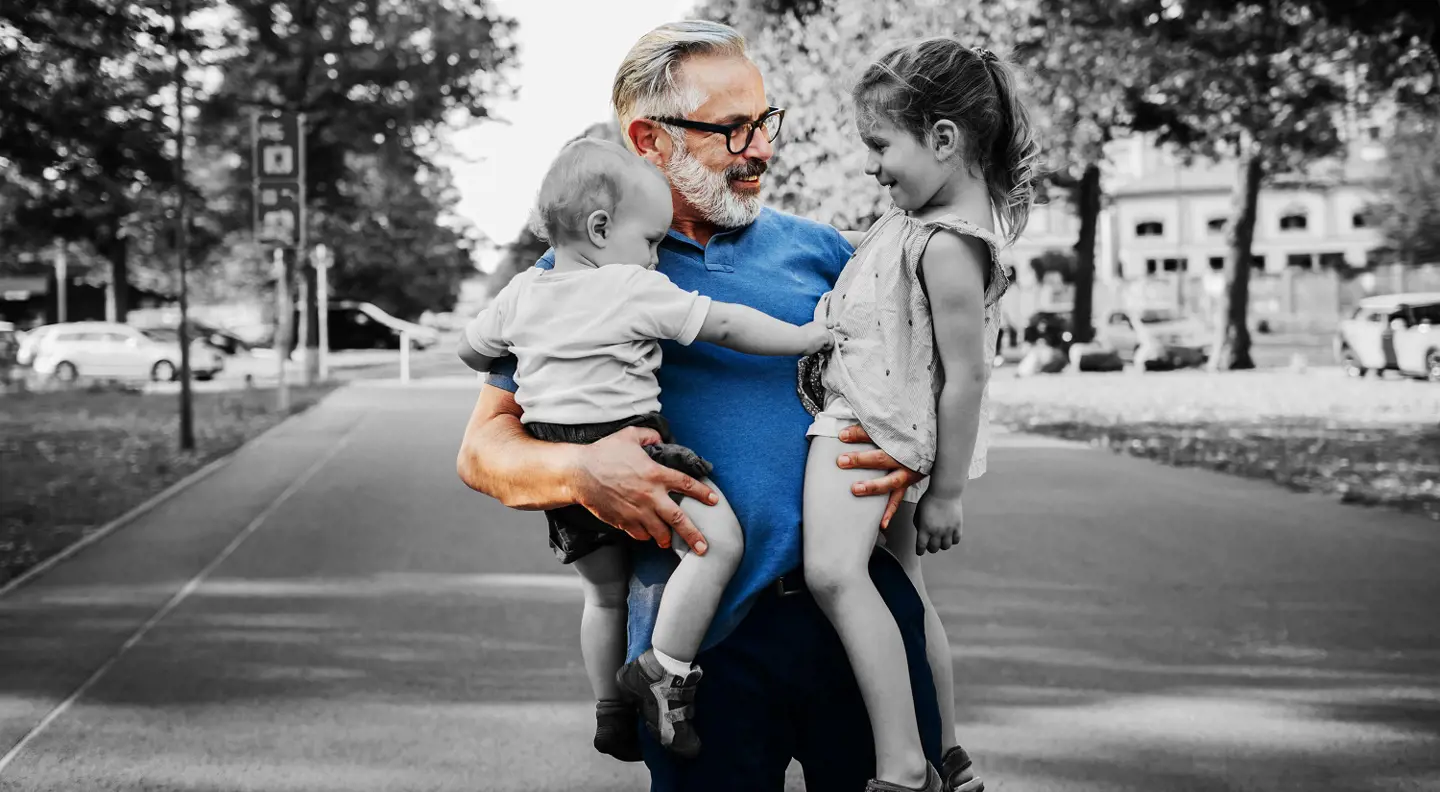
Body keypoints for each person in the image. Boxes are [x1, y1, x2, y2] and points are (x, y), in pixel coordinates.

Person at [457, 20, 967, 792]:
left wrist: (919, 461)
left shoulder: (828, 252)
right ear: (648, 140)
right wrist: (582, 469)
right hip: (701, 647)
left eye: (765, 122)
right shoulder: (576, 277)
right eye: (732, 130)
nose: (761, 148)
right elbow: (482, 452)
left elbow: (939, 368)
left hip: (857, 620)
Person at [455, 136, 830, 761]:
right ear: (602, 230)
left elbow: (471, 350)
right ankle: (665, 668)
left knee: (602, 595)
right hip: (631, 447)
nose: (656, 257)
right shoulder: (631, 285)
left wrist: (522, 350)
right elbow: (727, 325)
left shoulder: (523, 292)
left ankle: (609, 712)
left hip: (558, 458)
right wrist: (805, 335)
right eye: (651, 240)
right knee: (715, 547)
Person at [795, 38, 1038, 792]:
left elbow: (967, 376)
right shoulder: (915, 225)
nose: (871, 165)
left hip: (868, 427)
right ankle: (948, 747)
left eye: (880, 145)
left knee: (834, 573)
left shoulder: (944, 245)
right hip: (889, 424)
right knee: (901, 588)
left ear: (942, 138)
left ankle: (901, 760)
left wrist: (948, 490)